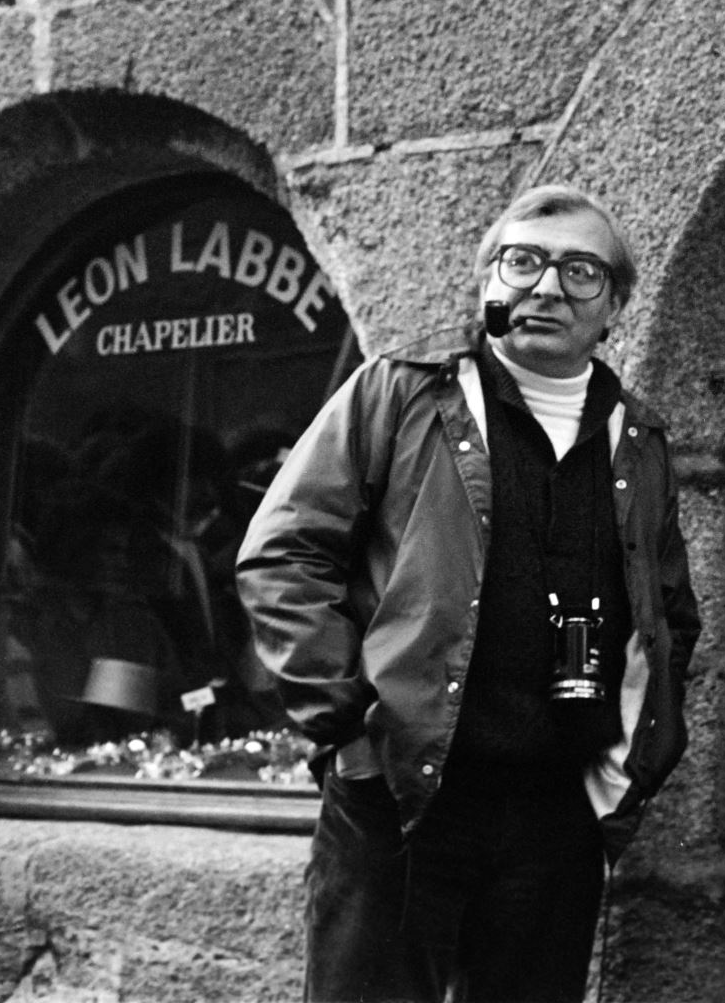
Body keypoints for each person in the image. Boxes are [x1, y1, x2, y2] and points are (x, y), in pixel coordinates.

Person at [238, 184, 699, 1003]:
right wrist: (347, 735)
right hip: (403, 793)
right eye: (522, 261)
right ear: (488, 280)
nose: (547, 287)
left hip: (557, 813)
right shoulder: (403, 393)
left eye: (581, 272)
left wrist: (618, 776)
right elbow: (284, 557)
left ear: (615, 306)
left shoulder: (641, 437)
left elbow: (669, 615)